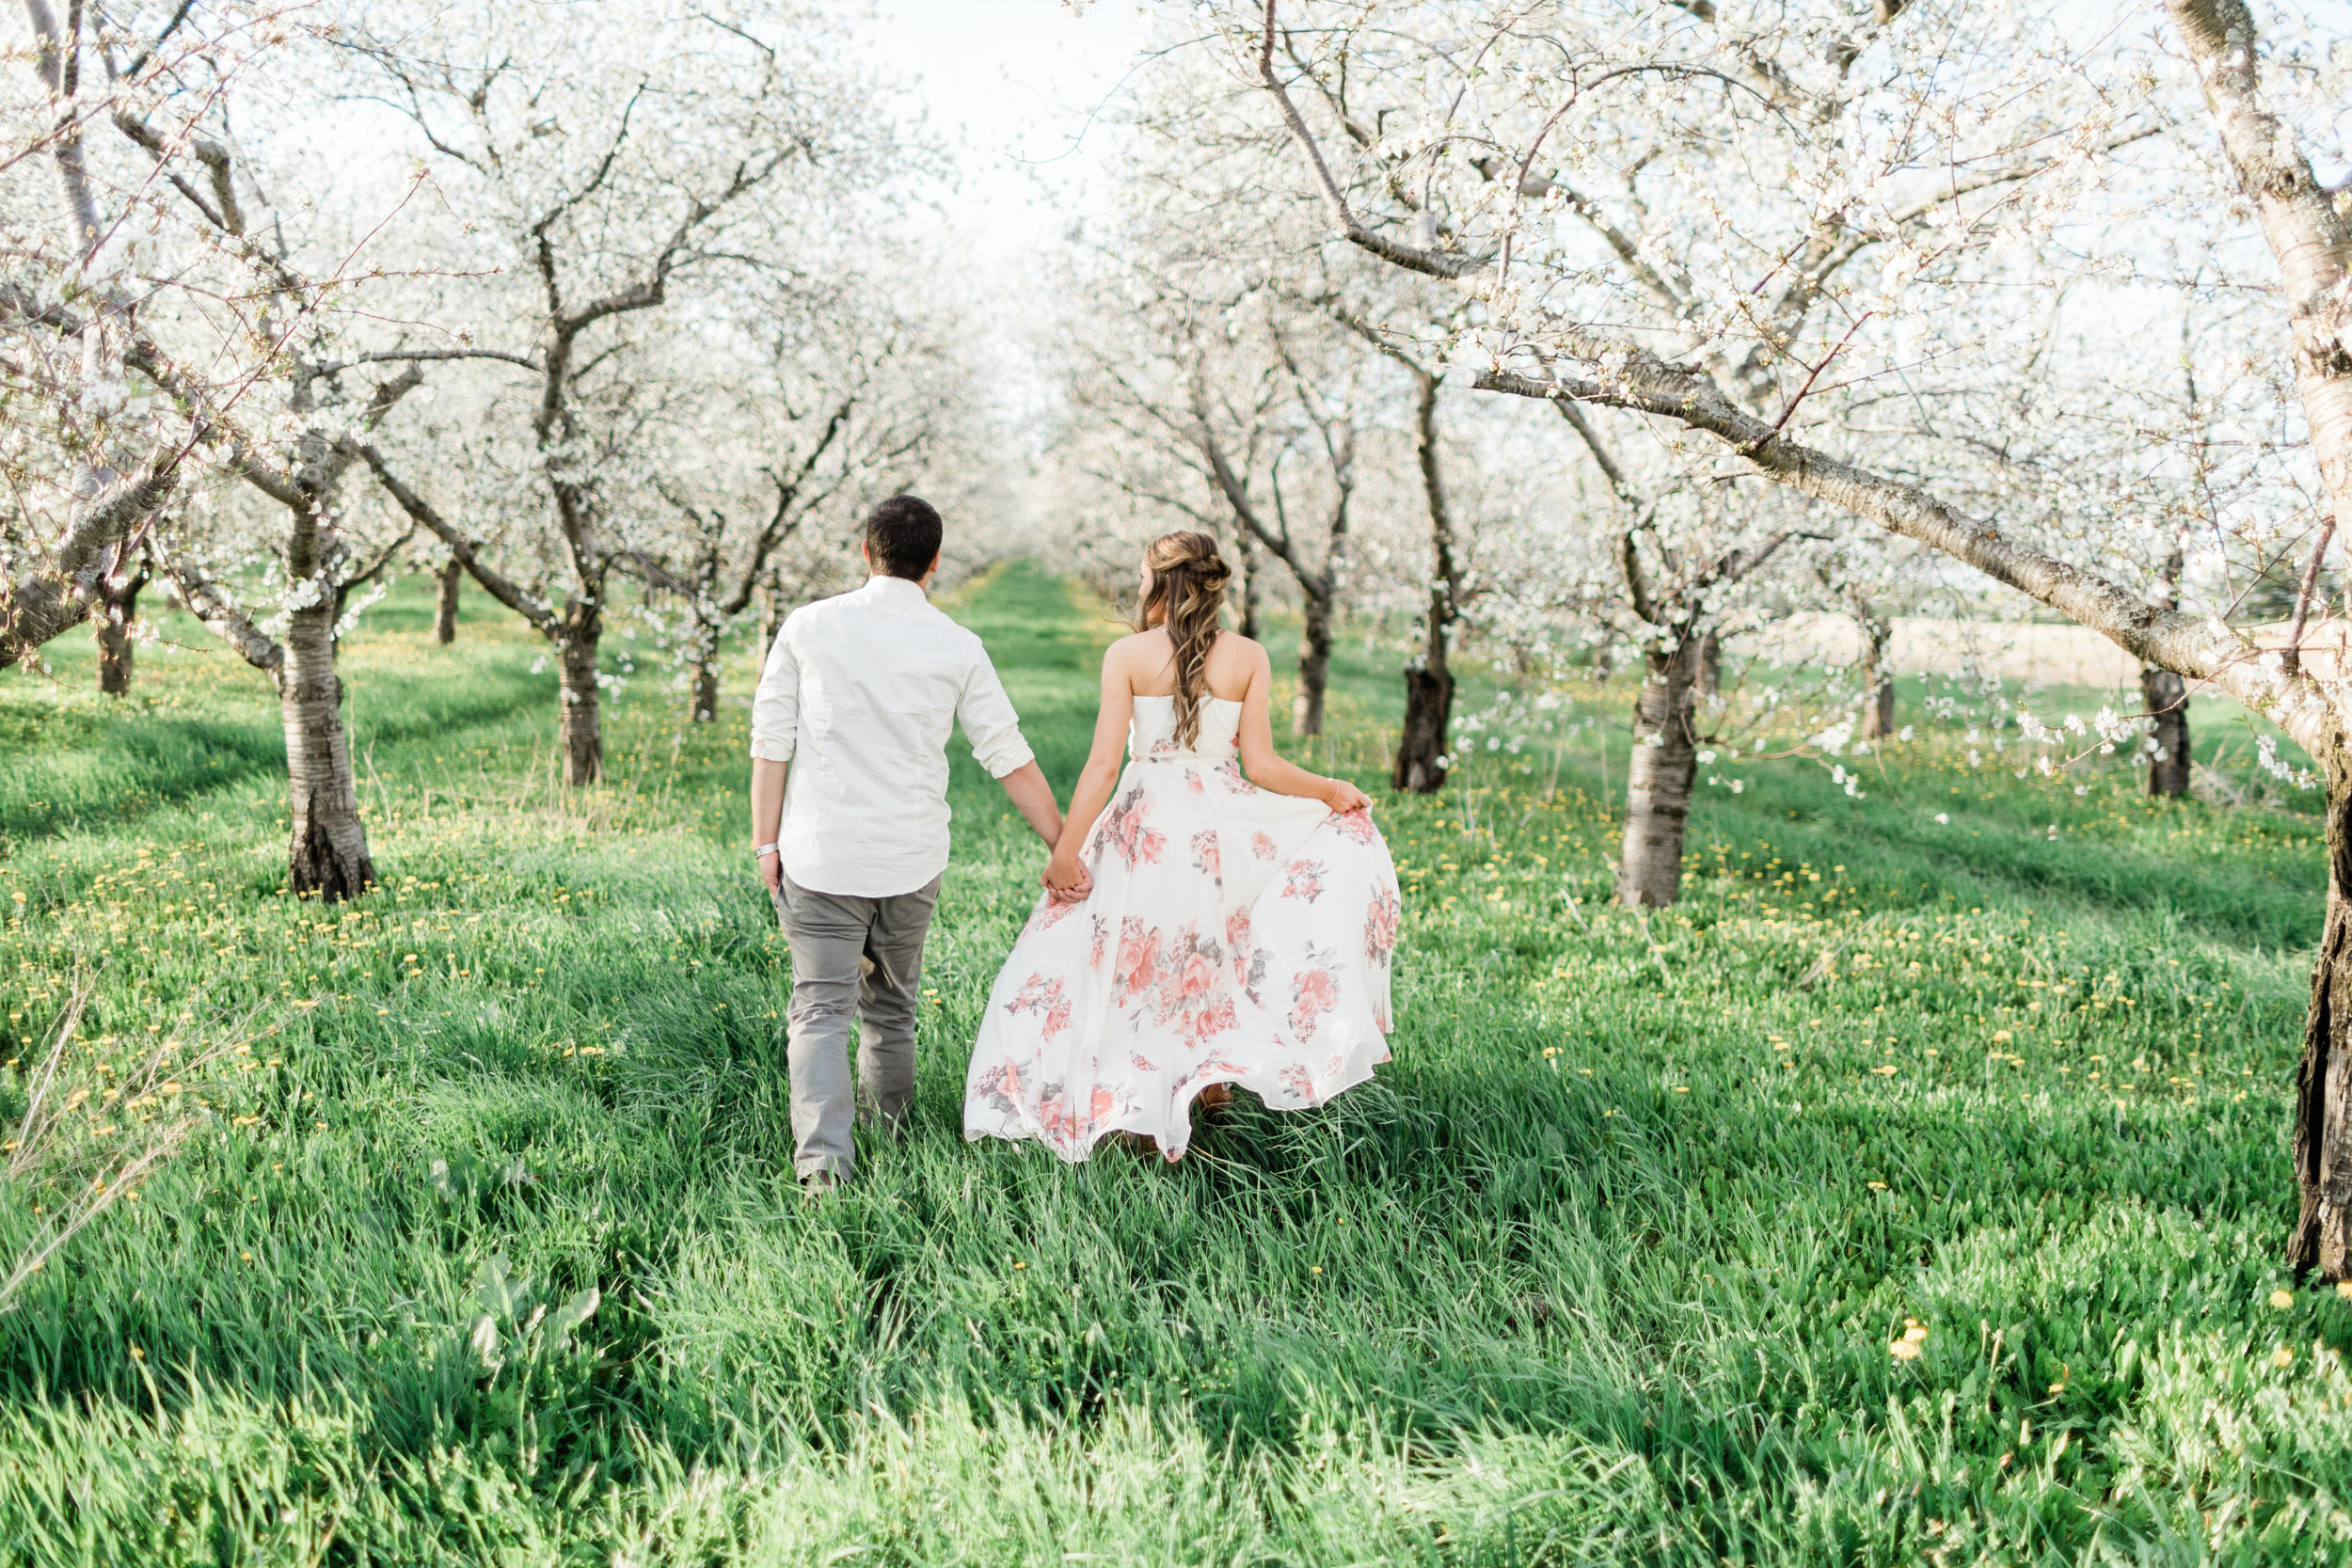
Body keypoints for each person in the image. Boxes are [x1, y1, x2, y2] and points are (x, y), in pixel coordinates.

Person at [963, 531, 1402, 1163]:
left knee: (1136, 963)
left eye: (1143, 575)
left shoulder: (1128, 654)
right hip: (1218, 829)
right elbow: (1264, 765)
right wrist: (1330, 790)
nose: (1137, 586)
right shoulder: (1248, 655)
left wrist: (1069, 848)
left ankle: (1145, 1105)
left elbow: (1103, 765)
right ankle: (1208, 1091)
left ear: (1161, 581)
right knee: (1208, 953)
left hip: (1146, 825)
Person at [751, 495, 1069, 1192]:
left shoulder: (807, 626)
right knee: (891, 1009)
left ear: (866, 552)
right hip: (909, 858)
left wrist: (763, 842)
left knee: (820, 1008)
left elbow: (771, 742)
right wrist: (1062, 843)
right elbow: (1006, 753)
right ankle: (890, 1135)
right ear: (934, 565)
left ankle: (823, 1169)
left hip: (820, 854)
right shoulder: (957, 645)